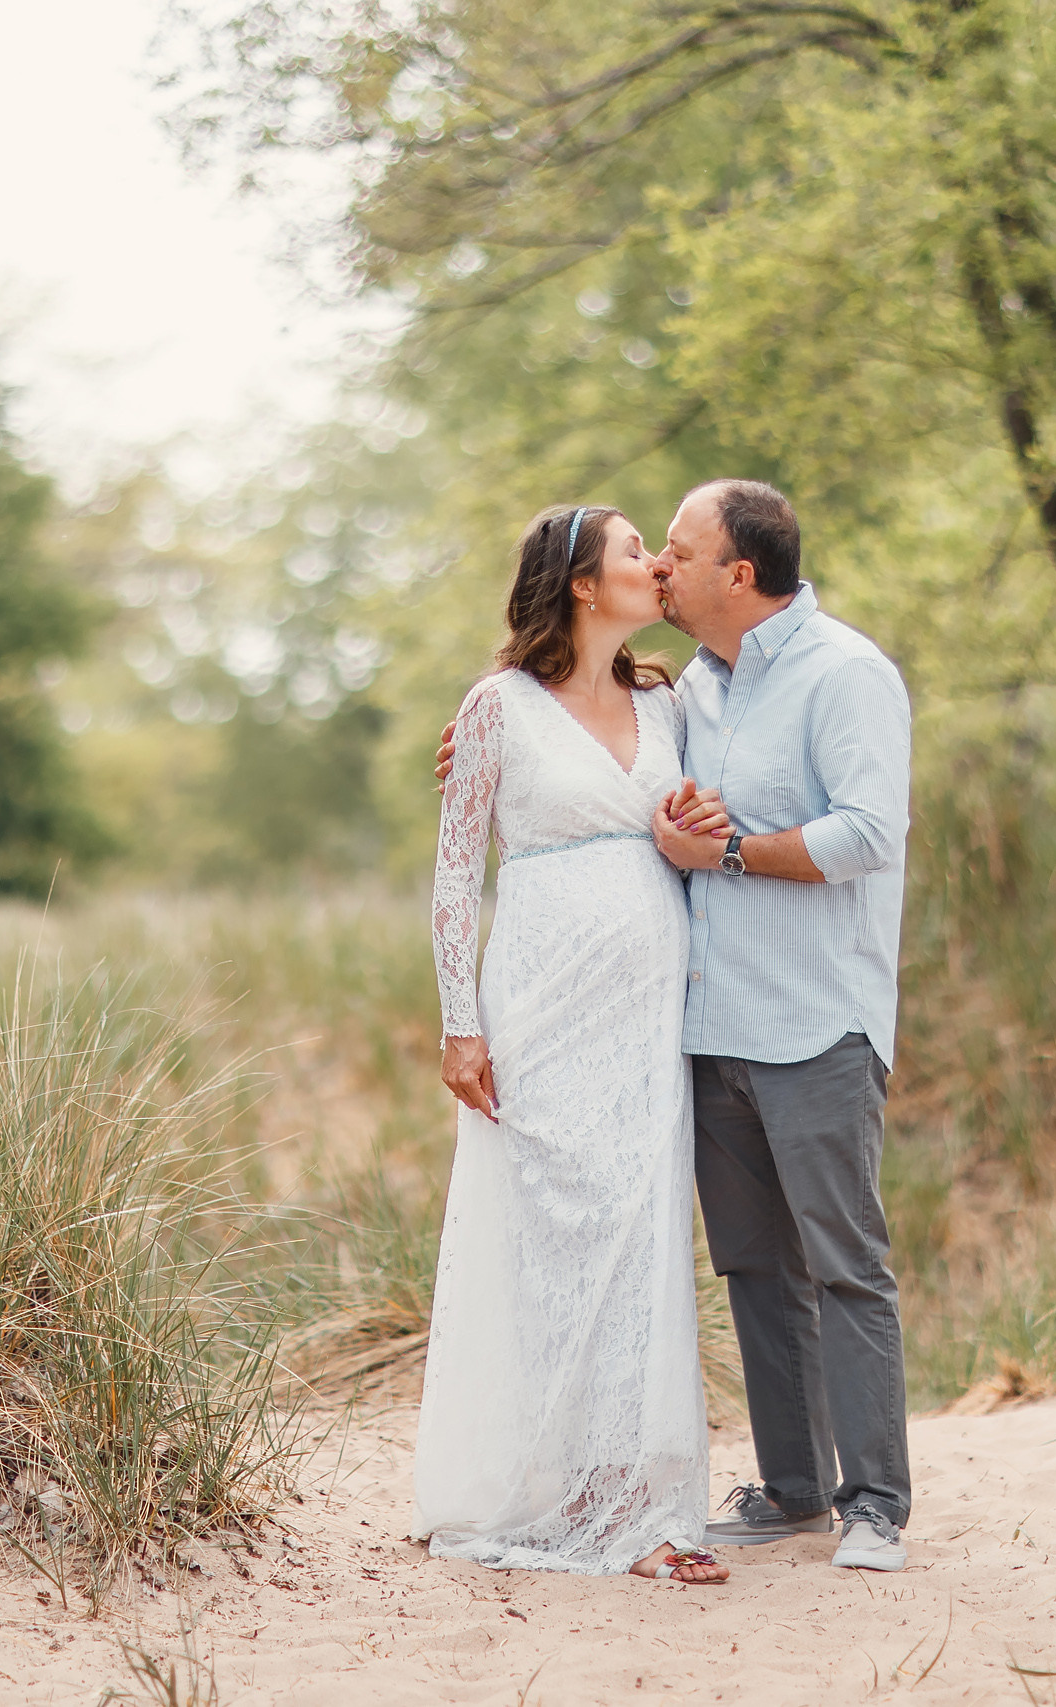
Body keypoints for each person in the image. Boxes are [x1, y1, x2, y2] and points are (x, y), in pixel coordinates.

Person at [437, 479, 915, 1575]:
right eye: (646, 552)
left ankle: (874, 1503)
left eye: (678, 551)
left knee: (842, 1259)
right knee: (749, 1265)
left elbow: (869, 833)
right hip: (699, 1024)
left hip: (814, 1014)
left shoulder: (846, 674)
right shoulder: (692, 688)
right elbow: (571, 740)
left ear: (734, 574)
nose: (661, 566)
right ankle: (792, 1489)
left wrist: (732, 849)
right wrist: (477, 743)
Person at [419, 502, 733, 1585]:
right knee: (556, 1231)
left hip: (649, 1011)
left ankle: (640, 1508)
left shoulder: (670, 702)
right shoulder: (496, 707)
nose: (654, 563)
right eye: (634, 550)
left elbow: (696, 821)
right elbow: (458, 870)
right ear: (583, 587)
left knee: (641, 1234)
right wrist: (462, 1021)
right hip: (541, 999)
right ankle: (572, 1495)